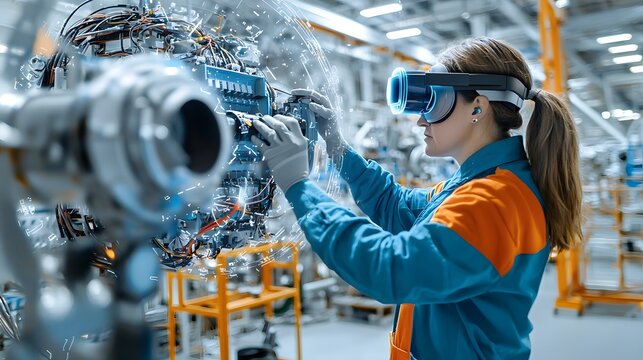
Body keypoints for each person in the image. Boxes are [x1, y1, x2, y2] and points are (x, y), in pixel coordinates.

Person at [250, 37, 583, 359]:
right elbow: (395, 205)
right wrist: (337, 147)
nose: (422, 119)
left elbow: (391, 267)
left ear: (477, 107)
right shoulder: (477, 183)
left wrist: (299, 186)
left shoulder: (495, 200)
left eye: (435, 101)